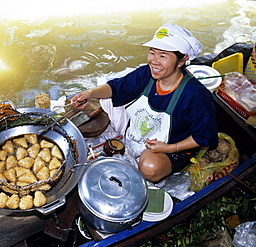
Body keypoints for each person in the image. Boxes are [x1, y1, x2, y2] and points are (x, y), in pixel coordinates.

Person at [71, 23, 218, 183]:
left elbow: (205, 137)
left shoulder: (196, 96)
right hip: (143, 133)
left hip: (174, 145)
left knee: (149, 167)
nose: (154, 61)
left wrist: (168, 148)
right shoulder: (146, 73)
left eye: (163, 56)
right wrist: (90, 93)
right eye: (152, 53)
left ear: (182, 60)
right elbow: (116, 88)